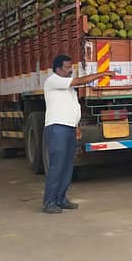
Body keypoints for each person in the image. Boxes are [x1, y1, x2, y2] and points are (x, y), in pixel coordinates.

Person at [42, 55, 114, 214]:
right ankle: (49, 202)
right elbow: (80, 81)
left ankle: (61, 199)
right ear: (58, 69)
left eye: (71, 68)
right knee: (57, 166)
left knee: (68, 166)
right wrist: (102, 74)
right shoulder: (53, 81)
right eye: (67, 68)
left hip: (68, 128)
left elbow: (71, 106)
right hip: (57, 128)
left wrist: (76, 126)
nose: (70, 71)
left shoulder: (68, 88)